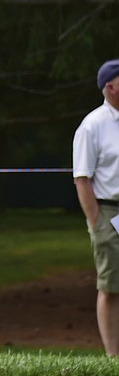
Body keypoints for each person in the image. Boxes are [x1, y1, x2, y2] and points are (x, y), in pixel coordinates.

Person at [74, 58, 119, 357]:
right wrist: (96, 222)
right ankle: (113, 357)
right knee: (112, 285)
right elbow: (82, 178)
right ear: (111, 87)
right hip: (108, 211)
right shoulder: (92, 126)